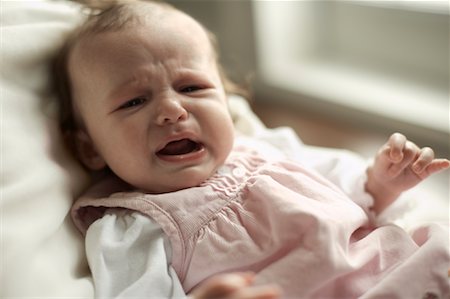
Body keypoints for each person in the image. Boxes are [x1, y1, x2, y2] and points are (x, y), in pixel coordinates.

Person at [53, 0, 450, 298]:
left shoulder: (267, 148)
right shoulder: (130, 231)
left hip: (403, 267)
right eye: (134, 102)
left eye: (191, 87)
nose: (173, 111)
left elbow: (355, 194)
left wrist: (383, 181)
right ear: (91, 149)